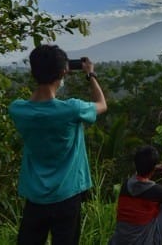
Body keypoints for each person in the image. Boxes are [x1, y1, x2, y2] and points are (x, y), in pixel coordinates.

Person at [8, 44, 107, 245]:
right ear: (64, 72)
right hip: (67, 195)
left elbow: (35, 104)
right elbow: (102, 105)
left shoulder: (17, 110)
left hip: (35, 196)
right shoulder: (72, 109)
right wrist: (91, 75)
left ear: (33, 72)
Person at [108, 145, 162, 245]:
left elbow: (138, 176)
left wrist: (154, 168)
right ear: (152, 169)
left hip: (118, 241)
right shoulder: (157, 191)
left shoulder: (125, 185)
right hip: (144, 242)